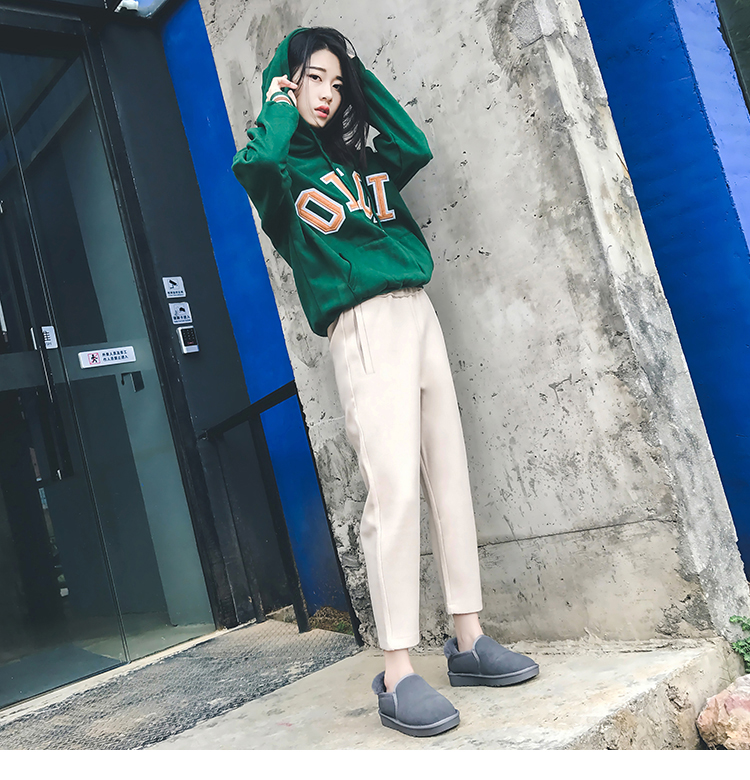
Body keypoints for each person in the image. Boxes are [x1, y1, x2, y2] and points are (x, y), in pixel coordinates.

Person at [232, 26, 539, 738]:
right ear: (288, 82)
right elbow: (257, 162)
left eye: (335, 84)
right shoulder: (277, 174)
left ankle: (468, 637)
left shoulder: (359, 159)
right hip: (363, 324)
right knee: (394, 490)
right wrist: (280, 101)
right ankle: (398, 670)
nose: (326, 94)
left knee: (447, 474)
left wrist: (356, 73)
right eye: (313, 79)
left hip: (418, 311)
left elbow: (412, 145)